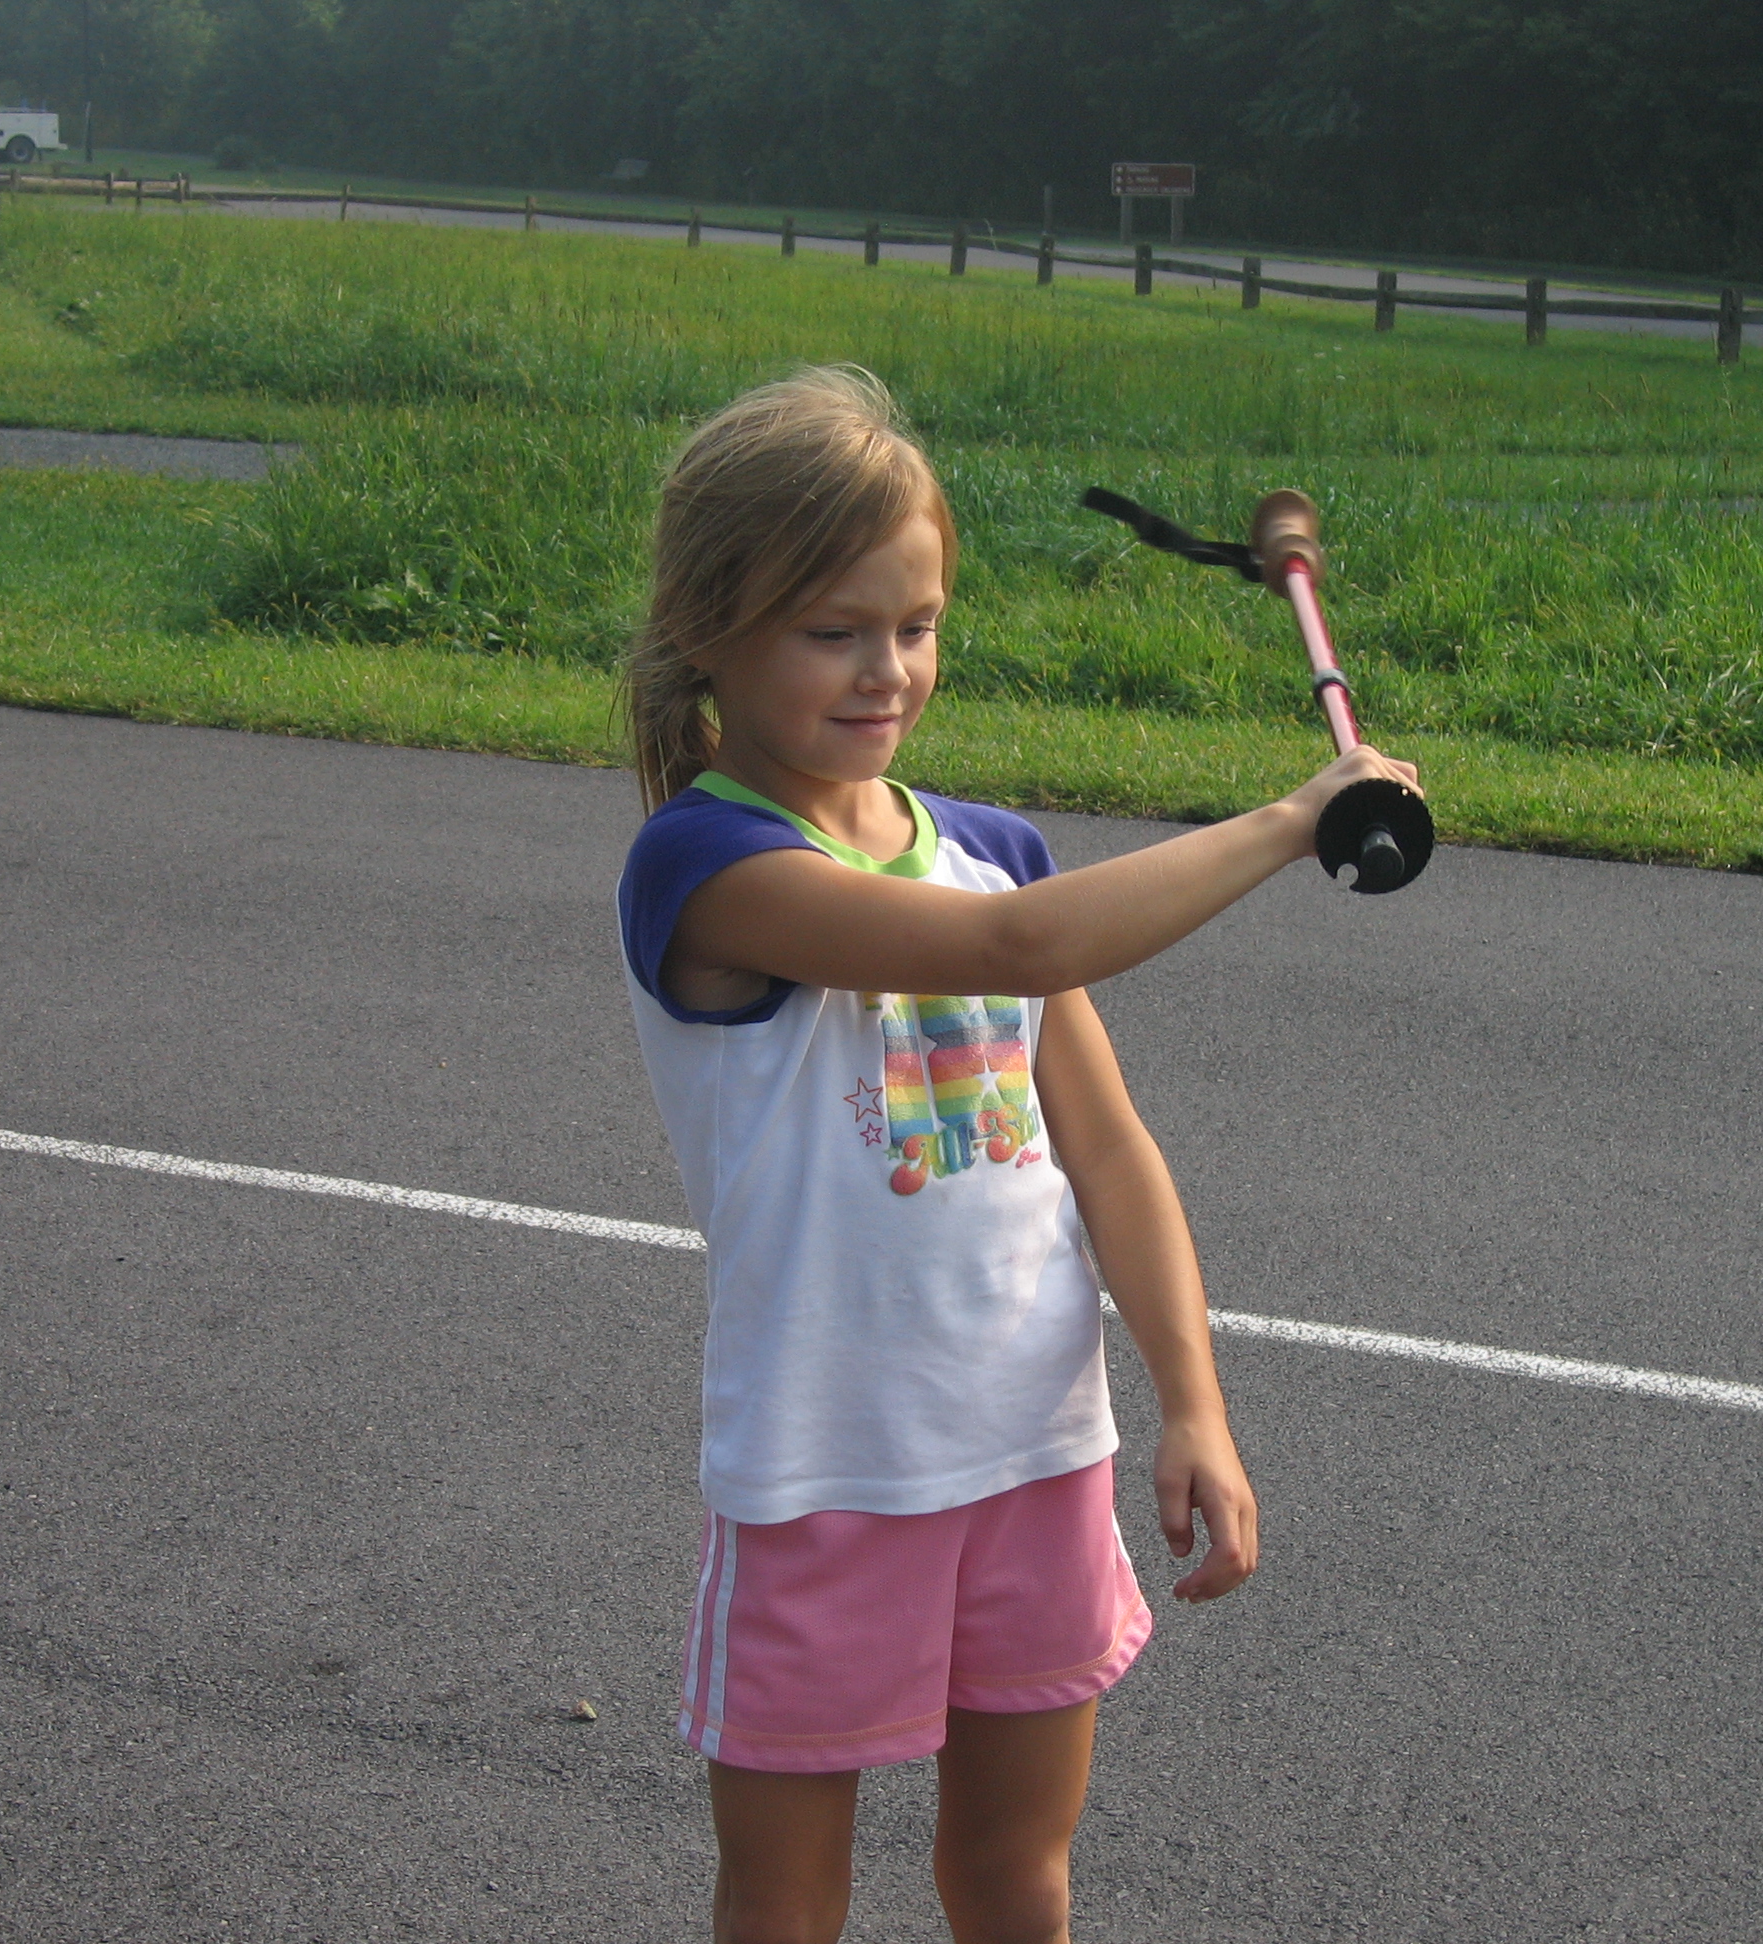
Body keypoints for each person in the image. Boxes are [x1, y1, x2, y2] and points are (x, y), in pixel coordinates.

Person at [616, 366, 1420, 1944]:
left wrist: (1194, 1404)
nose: (887, 670)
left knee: (1015, 1877)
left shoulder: (990, 846)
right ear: (711, 631)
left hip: (1040, 1460)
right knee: (786, 1901)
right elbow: (1019, 947)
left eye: (916, 625)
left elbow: (1109, 1154)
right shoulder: (706, 863)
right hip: (827, 1478)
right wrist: (1293, 819)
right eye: (832, 630)